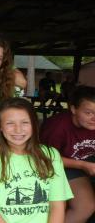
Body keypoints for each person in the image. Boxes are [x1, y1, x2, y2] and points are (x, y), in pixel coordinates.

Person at [0, 98, 73, 223]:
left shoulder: (50, 155)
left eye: (25, 122)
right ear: (0, 127)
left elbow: (57, 206)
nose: (18, 130)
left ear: (34, 124)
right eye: (10, 123)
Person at [40, 85, 95, 223]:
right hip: (62, 166)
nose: (94, 118)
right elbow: (46, 158)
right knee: (85, 207)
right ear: (73, 109)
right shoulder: (57, 126)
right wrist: (82, 165)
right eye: (88, 112)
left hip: (87, 162)